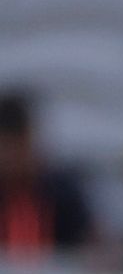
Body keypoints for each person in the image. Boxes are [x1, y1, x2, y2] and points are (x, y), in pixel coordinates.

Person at [0, 90, 95, 260]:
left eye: (19, 147)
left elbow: (93, 246)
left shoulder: (63, 192)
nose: (11, 157)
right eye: (6, 148)